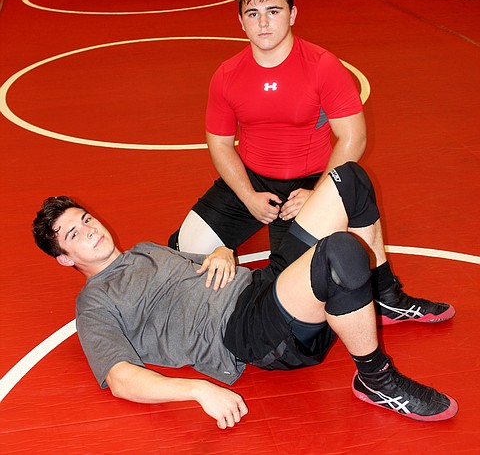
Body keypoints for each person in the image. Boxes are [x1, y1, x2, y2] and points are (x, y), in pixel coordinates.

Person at [33, 162, 458, 428]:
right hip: (247, 330)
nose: (90, 230)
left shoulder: (145, 249)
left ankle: (383, 297)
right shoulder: (94, 303)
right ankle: (376, 379)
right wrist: (198, 391)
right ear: (65, 259)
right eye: (75, 234)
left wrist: (220, 251)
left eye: (86, 219)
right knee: (340, 254)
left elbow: (199, 263)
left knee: (349, 179)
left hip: (261, 287)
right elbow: (119, 378)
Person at [169, 0, 367, 257]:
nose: (263, 23)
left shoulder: (323, 65)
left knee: (297, 277)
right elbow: (220, 144)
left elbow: (353, 137)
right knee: (188, 249)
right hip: (253, 178)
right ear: (241, 22)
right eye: (252, 13)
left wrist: (319, 194)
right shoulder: (227, 74)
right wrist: (248, 196)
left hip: (311, 180)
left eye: (273, 11)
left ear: (292, 14)